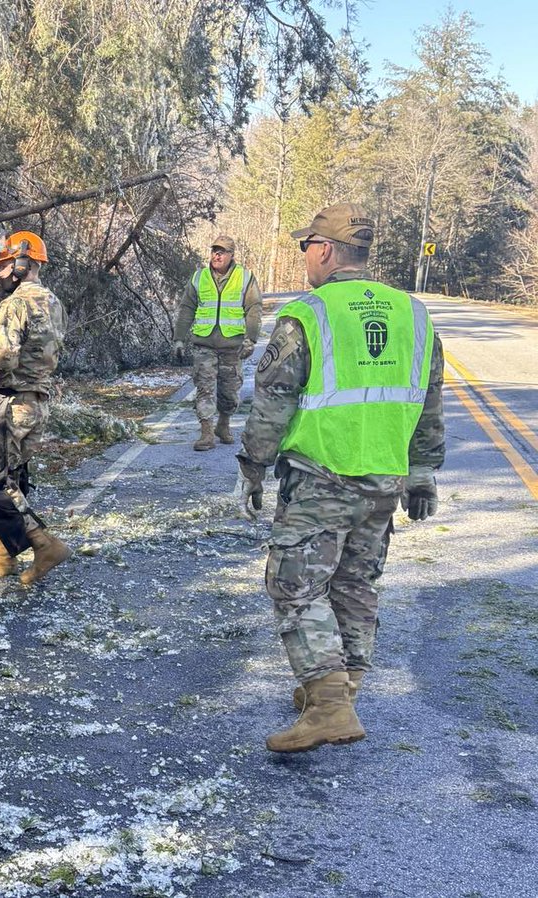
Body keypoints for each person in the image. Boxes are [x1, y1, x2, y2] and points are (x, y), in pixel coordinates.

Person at [236, 203, 445, 753]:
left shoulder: (309, 315)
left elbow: (273, 403)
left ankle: (328, 705)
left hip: (321, 477)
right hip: (384, 482)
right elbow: (429, 402)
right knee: (355, 586)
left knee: (294, 585)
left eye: (307, 246)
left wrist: (253, 466)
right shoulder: (413, 314)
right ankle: (341, 693)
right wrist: (422, 472)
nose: (305, 255)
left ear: (325, 250)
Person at [0, 231, 70, 586]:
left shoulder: (14, 304)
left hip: (12, 401)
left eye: (4, 266)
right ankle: (1, 552)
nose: (0, 274)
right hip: (36, 402)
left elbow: (6, 356)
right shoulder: (52, 301)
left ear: (21, 264)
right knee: (12, 478)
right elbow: (39, 339)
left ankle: (44, 544)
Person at [171, 235, 263, 450]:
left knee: (229, 392)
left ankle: (223, 424)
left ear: (232, 255)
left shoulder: (245, 277)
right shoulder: (199, 277)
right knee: (204, 388)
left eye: (222, 252)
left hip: (232, 346)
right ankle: (206, 433)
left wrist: (251, 339)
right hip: (204, 345)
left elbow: (254, 309)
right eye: (214, 251)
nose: (217, 255)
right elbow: (186, 309)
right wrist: (178, 339)